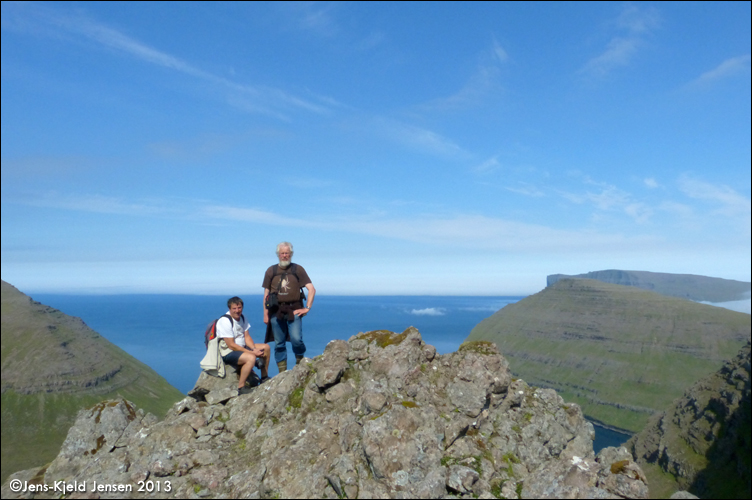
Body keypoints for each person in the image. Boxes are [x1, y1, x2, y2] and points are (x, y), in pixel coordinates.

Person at [262, 242, 316, 372]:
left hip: (294, 309)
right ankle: (282, 373)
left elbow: (312, 289)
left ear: (291, 254)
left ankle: (300, 366)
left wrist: (307, 308)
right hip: (276, 311)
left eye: (287, 253)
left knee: (296, 340)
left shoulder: (298, 269)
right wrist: (265, 314)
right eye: (282, 253)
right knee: (279, 344)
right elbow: (266, 294)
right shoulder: (271, 271)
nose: (284, 255)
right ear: (278, 254)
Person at [217, 296, 270, 394]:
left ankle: (264, 377)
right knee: (251, 358)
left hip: (241, 347)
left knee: (266, 348)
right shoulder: (225, 321)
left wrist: (254, 348)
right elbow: (231, 345)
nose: (237, 311)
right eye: (234, 308)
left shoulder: (242, 317)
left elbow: (247, 337)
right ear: (229, 309)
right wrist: (252, 353)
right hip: (228, 352)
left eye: (239, 308)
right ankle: (241, 387)